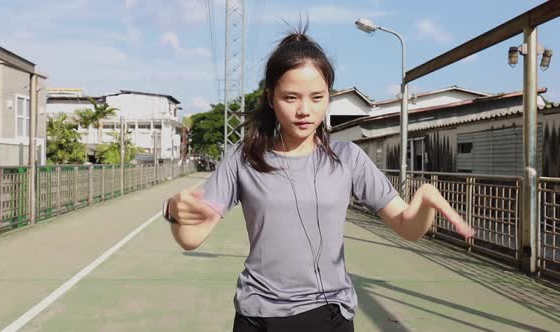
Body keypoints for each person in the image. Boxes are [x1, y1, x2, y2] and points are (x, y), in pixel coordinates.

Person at [163, 25, 474, 332]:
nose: (304, 110)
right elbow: (191, 240)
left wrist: (426, 202)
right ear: (271, 98)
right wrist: (176, 214)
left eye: (316, 97)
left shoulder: (348, 158)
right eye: (290, 98)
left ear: (329, 98)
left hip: (329, 316)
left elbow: (408, 229)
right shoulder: (244, 158)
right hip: (258, 315)